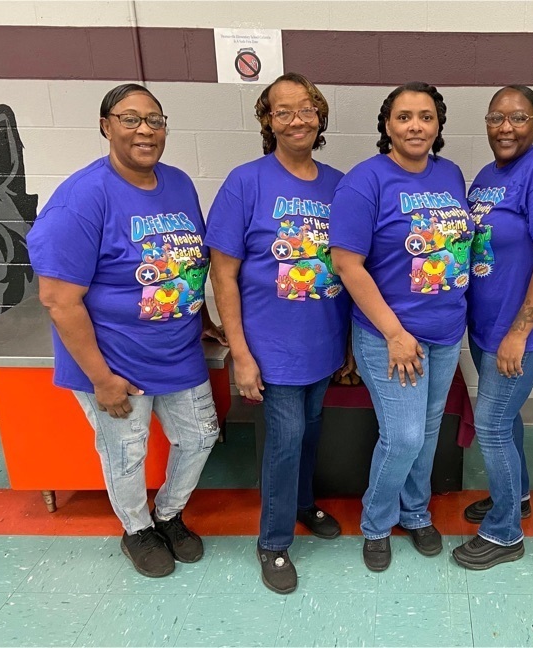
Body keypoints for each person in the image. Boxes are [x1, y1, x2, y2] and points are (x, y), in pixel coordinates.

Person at [28, 83, 226, 578]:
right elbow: (57, 298)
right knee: (126, 451)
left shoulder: (178, 183)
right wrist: (101, 378)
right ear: (106, 126)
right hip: (113, 360)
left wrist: (200, 318)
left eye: (155, 120)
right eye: (130, 118)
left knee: (201, 436)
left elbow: (186, 262)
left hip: (177, 351)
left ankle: (169, 514)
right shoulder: (81, 198)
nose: (145, 129)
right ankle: (136, 529)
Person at [206, 73, 351, 595]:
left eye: (307, 108)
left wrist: (350, 345)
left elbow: (351, 266)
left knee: (310, 433)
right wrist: (240, 352)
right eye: (283, 111)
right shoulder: (245, 183)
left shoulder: (339, 184)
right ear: (267, 121)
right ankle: (273, 542)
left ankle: (302, 503)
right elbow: (222, 273)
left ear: (320, 116)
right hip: (272, 346)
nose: (297, 119)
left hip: (323, 340)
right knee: (285, 440)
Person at [330, 82, 472, 572]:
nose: (416, 126)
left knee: (428, 432)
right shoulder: (364, 181)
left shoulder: (451, 174)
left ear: (438, 125)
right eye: (405, 116)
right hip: (390, 336)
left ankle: (415, 512)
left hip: (446, 330)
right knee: (405, 436)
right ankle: (375, 522)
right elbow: (348, 264)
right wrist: (394, 333)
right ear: (387, 125)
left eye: (426, 117)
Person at [451, 86, 533, 570]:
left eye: (518, 118)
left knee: (492, 423)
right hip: (488, 327)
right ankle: (518, 496)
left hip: (518, 331)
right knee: (506, 417)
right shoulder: (487, 176)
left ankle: (505, 532)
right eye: (496, 118)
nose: (505, 127)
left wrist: (519, 332)